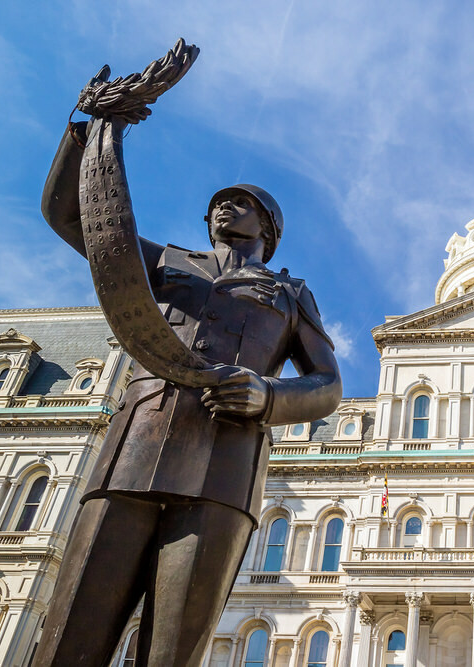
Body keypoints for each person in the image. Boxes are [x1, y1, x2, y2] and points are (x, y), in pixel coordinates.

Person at [33, 117, 342, 666]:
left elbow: (327, 385)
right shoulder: (164, 263)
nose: (225, 206)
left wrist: (268, 396)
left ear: (269, 226)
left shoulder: (290, 294)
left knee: (174, 648)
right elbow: (73, 217)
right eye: (219, 202)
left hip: (224, 464)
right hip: (133, 451)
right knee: (73, 632)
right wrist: (93, 129)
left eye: (241, 202)